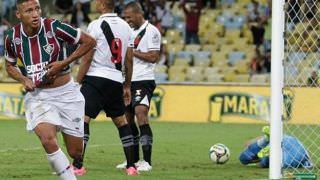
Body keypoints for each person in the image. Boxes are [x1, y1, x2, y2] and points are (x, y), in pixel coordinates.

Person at [4, 0, 96, 179]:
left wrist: (63, 63)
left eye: (37, 9)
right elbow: (9, 65)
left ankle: (65, 150)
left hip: (67, 94)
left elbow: (90, 42)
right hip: (39, 97)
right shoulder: (12, 37)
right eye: (29, 10)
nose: (35, 14)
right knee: (47, 139)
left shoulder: (55, 27)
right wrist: (23, 79)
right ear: (18, 15)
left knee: (76, 152)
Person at [74, 0, 138, 176]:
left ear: (102, 4)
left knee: (83, 119)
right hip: (116, 80)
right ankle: (131, 166)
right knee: (121, 122)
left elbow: (87, 57)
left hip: (95, 78)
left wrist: (77, 82)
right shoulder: (127, 27)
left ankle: (78, 166)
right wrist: (127, 85)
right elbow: (129, 60)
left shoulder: (96, 25)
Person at [117, 1, 161, 172]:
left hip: (144, 79)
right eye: (125, 17)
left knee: (141, 114)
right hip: (127, 80)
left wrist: (130, 51)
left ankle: (147, 161)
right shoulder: (127, 32)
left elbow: (153, 56)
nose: (127, 20)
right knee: (127, 120)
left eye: (129, 17)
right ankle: (132, 160)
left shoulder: (152, 31)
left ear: (138, 14)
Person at [239, 126, 313, 168]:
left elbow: (248, 145)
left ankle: (270, 152)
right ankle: (270, 151)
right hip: (288, 141)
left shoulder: (258, 151)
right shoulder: (261, 143)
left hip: (288, 152)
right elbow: (248, 144)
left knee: (266, 162)